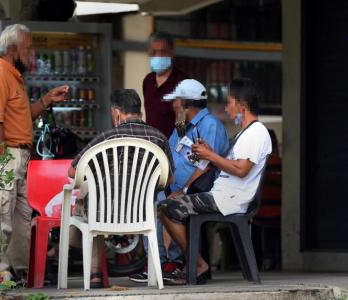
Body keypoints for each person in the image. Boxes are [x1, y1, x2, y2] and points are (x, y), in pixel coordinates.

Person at [0, 24, 69, 283]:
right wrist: (2, 157)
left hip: (17, 155)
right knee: (0, 215)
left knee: (20, 218)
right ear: (13, 49)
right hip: (1, 154)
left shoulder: (12, 75)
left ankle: (20, 271)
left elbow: (20, 118)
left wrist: (46, 100)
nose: (33, 53)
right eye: (29, 48)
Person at [159, 78, 272, 285]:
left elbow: (241, 169)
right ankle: (194, 262)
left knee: (167, 208)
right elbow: (232, 165)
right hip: (223, 195)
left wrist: (211, 157)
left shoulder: (257, 132)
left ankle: (197, 264)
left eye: (229, 102)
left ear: (242, 105)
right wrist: (210, 153)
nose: (226, 107)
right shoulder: (244, 133)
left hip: (228, 199)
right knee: (167, 205)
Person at [67, 89, 174, 288]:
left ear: (116, 113)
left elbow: (73, 171)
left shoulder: (106, 138)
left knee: (92, 202)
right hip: (142, 213)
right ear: (139, 112)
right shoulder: (159, 138)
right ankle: (154, 274)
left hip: (104, 213)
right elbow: (169, 179)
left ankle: (95, 274)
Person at [129, 79, 229, 283]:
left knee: (161, 204)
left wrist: (183, 190)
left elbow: (207, 166)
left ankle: (172, 263)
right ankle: (159, 262)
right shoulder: (182, 126)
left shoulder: (210, 124)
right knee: (146, 198)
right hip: (176, 186)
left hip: (200, 191)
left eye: (175, 100)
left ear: (184, 103)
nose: (172, 104)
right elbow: (171, 157)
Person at [143, 32, 188, 138]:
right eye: (154, 52)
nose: (158, 56)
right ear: (149, 52)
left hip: (172, 148)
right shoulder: (148, 81)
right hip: (152, 146)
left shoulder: (183, 82)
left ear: (172, 53)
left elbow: (186, 122)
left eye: (163, 52)